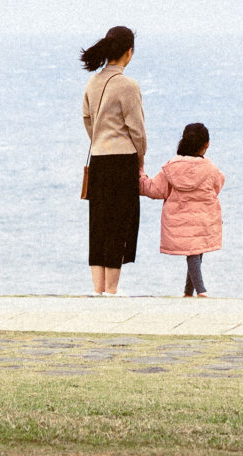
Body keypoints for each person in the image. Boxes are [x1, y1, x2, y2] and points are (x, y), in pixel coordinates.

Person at [80, 25, 147, 296]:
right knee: (119, 223)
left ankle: (97, 289)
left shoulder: (93, 82)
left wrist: (97, 138)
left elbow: (86, 118)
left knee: (98, 223)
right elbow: (137, 129)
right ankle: (112, 290)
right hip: (122, 160)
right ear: (129, 53)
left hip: (98, 158)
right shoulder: (128, 85)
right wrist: (140, 158)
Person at [139, 122, 224, 297]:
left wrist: (140, 172)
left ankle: (188, 292)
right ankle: (201, 291)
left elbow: (153, 190)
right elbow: (218, 185)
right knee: (195, 252)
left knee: (194, 252)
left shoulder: (171, 167)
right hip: (204, 219)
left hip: (180, 220)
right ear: (207, 144)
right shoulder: (211, 169)